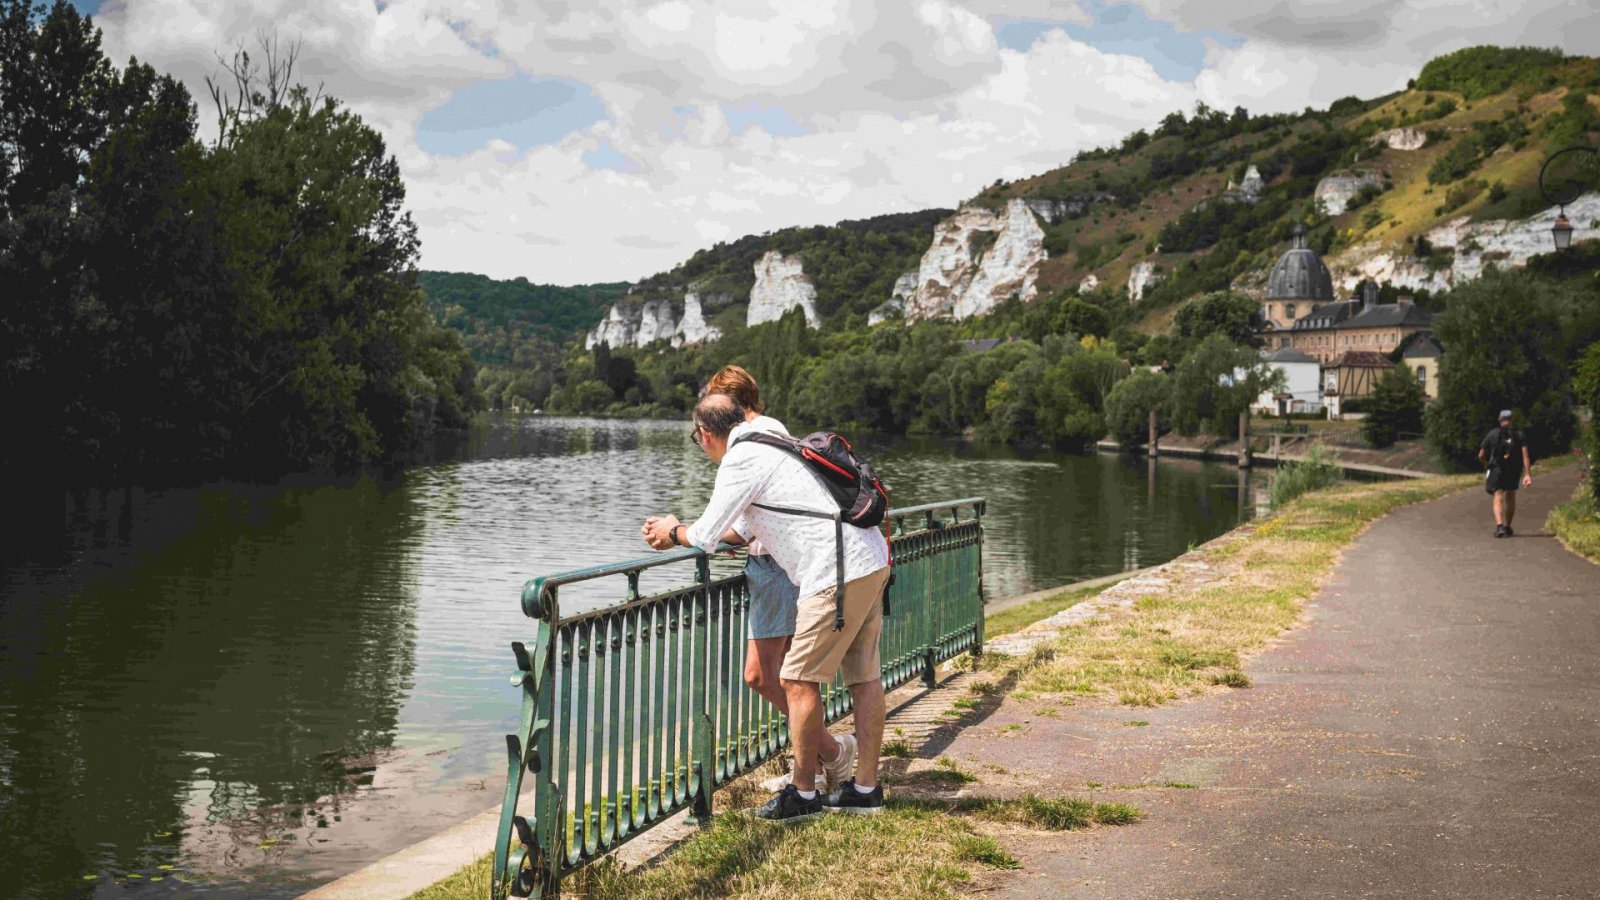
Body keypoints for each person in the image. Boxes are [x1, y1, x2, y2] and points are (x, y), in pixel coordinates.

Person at [642, 394, 891, 822]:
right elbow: (740, 529)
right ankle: (865, 790)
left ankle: (804, 794)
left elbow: (704, 535)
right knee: (864, 676)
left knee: (796, 679)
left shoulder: (740, 458)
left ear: (704, 434)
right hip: (870, 556)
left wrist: (672, 529)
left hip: (834, 570)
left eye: (695, 438)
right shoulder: (771, 441)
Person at [691, 365, 837, 793]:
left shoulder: (752, 441)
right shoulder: (772, 431)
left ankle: (823, 759)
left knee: (768, 677)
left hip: (775, 566)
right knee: (796, 677)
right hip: (787, 564)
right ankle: (815, 765)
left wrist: (683, 532)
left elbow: (715, 532)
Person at [1478, 409, 1532, 538]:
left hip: (1496, 469)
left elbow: (1481, 455)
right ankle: (1508, 527)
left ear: (1499, 419)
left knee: (1498, 495)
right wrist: (1527, 474)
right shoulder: (1519, 435)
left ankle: (1499, 526)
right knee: (1510, 496)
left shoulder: (1492, 434)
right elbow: (1525, 455)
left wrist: (1487, 466)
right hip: (1513, 469)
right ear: (1512, 419)